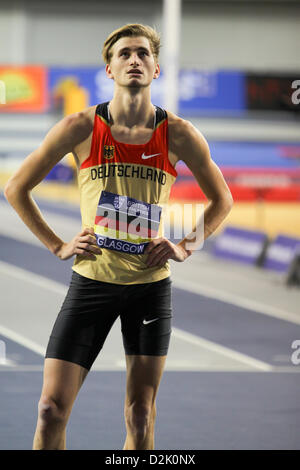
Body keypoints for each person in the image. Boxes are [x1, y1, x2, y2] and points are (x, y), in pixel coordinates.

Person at [4, 23, 233, 450]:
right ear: (108, 69)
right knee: (50, 409)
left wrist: (185, 245)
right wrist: (57, 244)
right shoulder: (81, 127)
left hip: (149, 289)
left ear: (156, 69)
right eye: (124, 54)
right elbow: (16, 188)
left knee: (140, 415)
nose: (134, 60)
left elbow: (223, 199)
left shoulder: (179, 134)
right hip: (92, 283)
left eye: (143, 54)